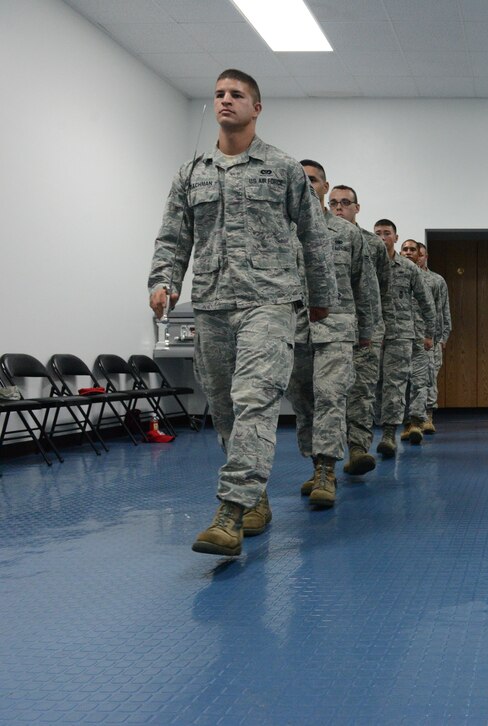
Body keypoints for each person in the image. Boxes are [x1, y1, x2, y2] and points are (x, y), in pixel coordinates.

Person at [148, 69, 336, 556]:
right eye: (219, 94)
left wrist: (321, 296)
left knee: (255, 399)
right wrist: (164, 283)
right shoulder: (191, 174)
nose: (225, 100)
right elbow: (174, 238)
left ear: (257, 107)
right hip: (211, 305)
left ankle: (230, 513)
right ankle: (255, 498)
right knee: (225, 408)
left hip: (269, 302)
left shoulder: (282, 168)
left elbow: (314, 236)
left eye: (236, 94)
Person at [281, 160, 378, 511]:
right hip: (293, 329)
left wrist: (367, 330)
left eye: (313, 180)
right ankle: (315, 465)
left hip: (337, 327)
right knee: (303, 400)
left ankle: (326, 470)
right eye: (301, 180)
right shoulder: (279, 231)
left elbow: (364, 285)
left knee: (330, 395)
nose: (308, 185)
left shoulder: (347, 233)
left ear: (325, 186)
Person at [328, 185, 392, 477]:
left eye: (344, 203)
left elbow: (382, 286)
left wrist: (374, 324)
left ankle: (357, 449)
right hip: (328, 329)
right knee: (329, 394)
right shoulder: (316, 236)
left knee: (362, 390)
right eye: (333, 203)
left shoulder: (373, 244)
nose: (338, 208)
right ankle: (326, 460)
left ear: (357, 207)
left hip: (365, 329)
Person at [373, 220, 436, 455]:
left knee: (396, 384)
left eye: (386, 233)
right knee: (374, 386)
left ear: (395, 237)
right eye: (378, 233)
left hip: (401, 335)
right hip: (371, 335)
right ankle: (377, 429)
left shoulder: (408, 268)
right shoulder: (367, 263)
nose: (382, 238)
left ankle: (390, 433)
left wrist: (429, 333)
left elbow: (426, 302)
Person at [415, 240, 451, 433]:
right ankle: (413, 419)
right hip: (410, 337)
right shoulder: (405, 277)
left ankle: (428, 415)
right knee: (413, 379)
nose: (417, 258)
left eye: (421, 255)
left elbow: (444, 310)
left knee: (430, 377)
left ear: (426, 257)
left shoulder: (436, 280)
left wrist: (444, 336)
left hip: (432, 339)